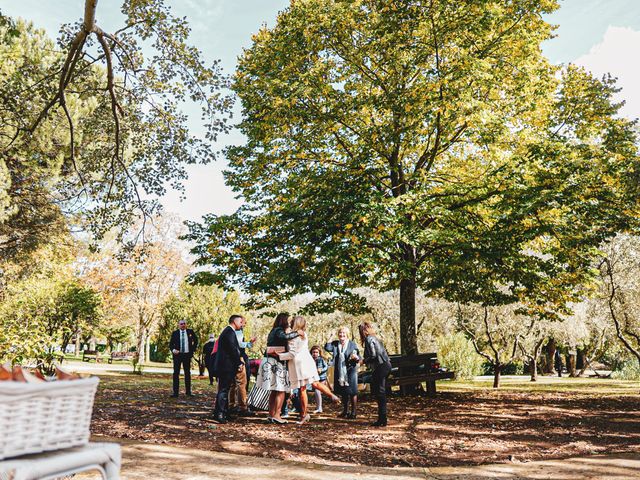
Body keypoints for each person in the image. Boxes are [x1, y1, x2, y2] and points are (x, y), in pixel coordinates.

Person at [277, 316, 339, 424]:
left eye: (292, 321)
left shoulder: (294, 336)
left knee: (303, 389)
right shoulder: (303, 334)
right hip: (307, 362)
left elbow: (292, 354)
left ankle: (304, 415)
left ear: (295, 323)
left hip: (299, 365)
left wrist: (279, 356)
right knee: (314, 383)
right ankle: (331, 395)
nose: (290, 323)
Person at [255, 313, 303, 424]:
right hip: (276, 363)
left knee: (274, 390)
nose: (290, 323)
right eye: (289, 321)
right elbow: (285, 337)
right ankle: (277, 415)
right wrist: (297, 333)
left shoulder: (273, 330)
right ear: (284, 321)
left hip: (270, 361)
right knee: (281, 390)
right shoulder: (279, 331)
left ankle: (271, 414)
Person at [359, 321, 392, 427]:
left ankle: (382, 419)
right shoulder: (376, 338)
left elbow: (373, 355)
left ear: (363, 331)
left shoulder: (369, 339)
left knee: (380, 393)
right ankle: (382, 418)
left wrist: (363, 361)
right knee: (380, 393)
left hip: (380, 366)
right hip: (386, 365)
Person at [213, 315, 245, 423]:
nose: (242, 324)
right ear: (234, 321)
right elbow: (233, 350)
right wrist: (239, 363)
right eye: (240, 322)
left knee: (224, 390)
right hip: (225, 366)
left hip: (226, 366)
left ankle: (223, 412)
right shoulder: (229, 332)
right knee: (223, 390)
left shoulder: (228, 331)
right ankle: (220, 413)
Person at [325, 326, 360, 418]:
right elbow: (327, 348)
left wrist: (354, 356)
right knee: (344, 391)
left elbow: (356, 353)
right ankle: (345, 411)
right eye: (340, 333)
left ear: (347, 334)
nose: (342, 335)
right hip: (340, 371)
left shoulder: (352, 344)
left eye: (344, 333)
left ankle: (353, 412)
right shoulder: (336, 344)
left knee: (352, 391)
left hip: (350, 371)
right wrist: (331, 336)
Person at [229, 316, 257, 417]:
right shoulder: (238, 331)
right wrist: (248, 344)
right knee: (242, 382)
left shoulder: (231, 331)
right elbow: (239, 344)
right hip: (238, 358)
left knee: (232, 383)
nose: (244, 324)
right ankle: (242, 407)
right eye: (242, 322)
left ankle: (231, 405)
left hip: (232, 358)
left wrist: (249, 343)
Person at [169, 319, 198, 397]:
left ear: (186, 324)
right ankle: (175, 393)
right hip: (177, 356)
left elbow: (196, 340)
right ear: (179, 325)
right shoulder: (175, 333)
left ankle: (188, 392)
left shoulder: (190, 332)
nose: (183, 325)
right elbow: (171, 344)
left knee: (187, 373)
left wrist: (193, 349)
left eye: (184, 323)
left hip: (187, 355)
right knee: (176, 374)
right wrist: (173, 350)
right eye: (181, 324)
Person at [310, 345, 329, 413]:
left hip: (321, 378)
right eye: (313, 352)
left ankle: (319, 408)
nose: (315, 354)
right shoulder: (310, 360)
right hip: (314, 378)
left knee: (317, 391)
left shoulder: (321, 359)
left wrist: (321, 370)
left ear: (319, 353)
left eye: (316, 352)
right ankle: (318, 406)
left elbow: (326, 367)